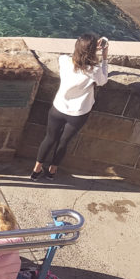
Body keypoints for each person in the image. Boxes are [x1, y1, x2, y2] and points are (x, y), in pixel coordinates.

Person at [31, 33, 109, 180]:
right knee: (63, 142)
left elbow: (68, 57)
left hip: (58, 108)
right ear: (93, 51)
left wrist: (85, 48)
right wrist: (103, 57)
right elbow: (103, 80)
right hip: (78, 113)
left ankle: (36, 170)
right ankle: (52, 171)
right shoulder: (94, 71)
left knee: (49, 138)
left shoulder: (65, 61)